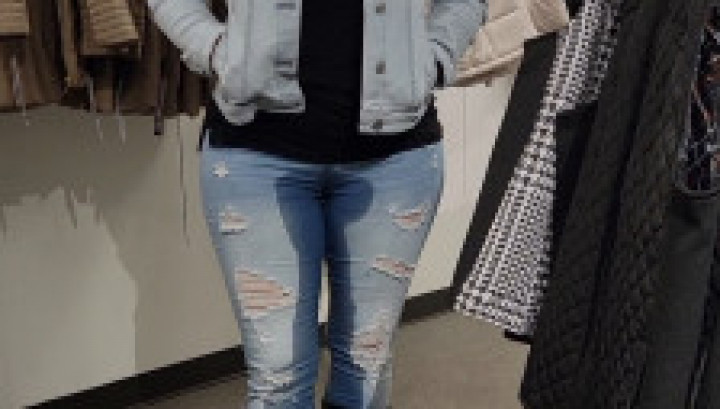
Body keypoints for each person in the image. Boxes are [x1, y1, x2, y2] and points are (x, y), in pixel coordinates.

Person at [148, 1, 485, 407]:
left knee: (367, 366)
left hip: (396, 156)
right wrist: (216, 49)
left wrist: (437, 57)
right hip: (256, 152)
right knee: (278, 377)